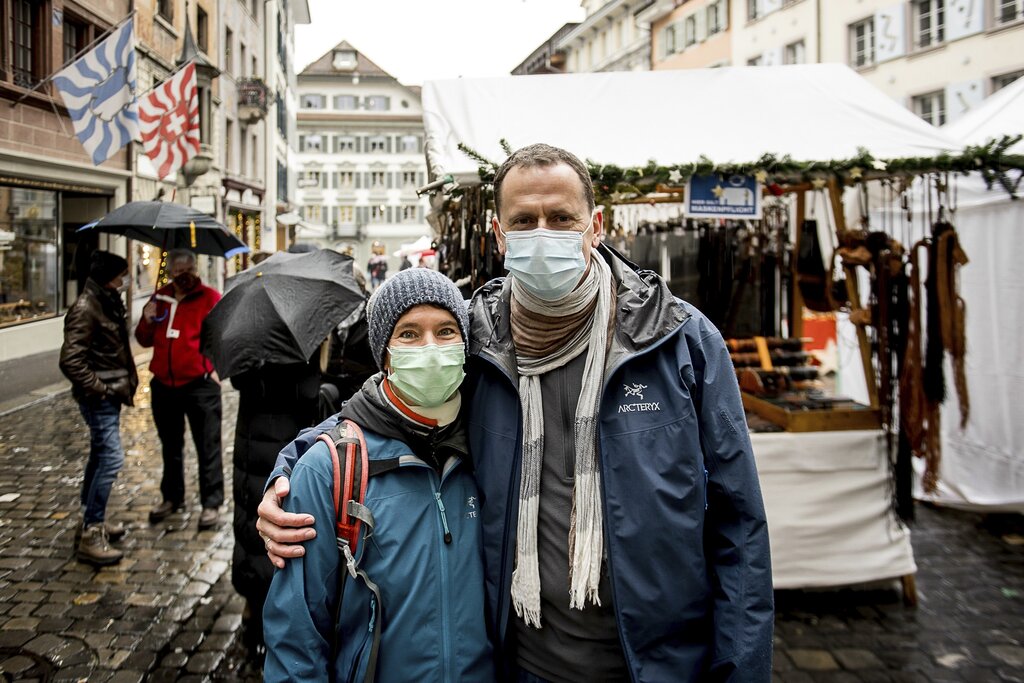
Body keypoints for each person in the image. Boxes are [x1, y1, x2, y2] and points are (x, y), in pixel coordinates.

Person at [258, 144, 774, 681]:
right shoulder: (478, 342)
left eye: (561, 218)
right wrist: (293, 467)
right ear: (500, 235)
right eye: (524, 221)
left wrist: (740, 670)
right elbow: (388, 406)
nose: (543, 233)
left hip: (661, 665)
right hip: (523, 665)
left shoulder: (677, 341)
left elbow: (739, 523)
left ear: (595, 226)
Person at [262, 267, 493, 681]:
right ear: (384, 353)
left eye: (446, 331)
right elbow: (296, 637)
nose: (430, 349)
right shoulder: (331, 467)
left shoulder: (493, 442)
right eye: (408, 334)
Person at [135, 249, 224, 530]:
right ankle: (172, 498)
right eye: (177, 271)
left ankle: (211, 504)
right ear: (170, 272)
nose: (183, 276)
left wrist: (210, 368)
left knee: (207, 446)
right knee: (170, 446)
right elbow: (143, 339)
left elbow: (222, 337)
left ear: (195, 270)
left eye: (188, 270)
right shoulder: (159, 298)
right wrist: (147, 319)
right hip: (164, 384)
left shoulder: (210, 298)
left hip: (200, 385)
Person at [59, 251, 138, 566]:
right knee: (111, 458)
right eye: (121, 275)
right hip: (101, 396)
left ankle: (90, 519)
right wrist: (101, 389)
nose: (124, 280)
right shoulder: (86, 307)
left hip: (110, 393)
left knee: (99, 456)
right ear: (109, 277)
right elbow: (70, 360)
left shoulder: (105, 301)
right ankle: (92, 531)